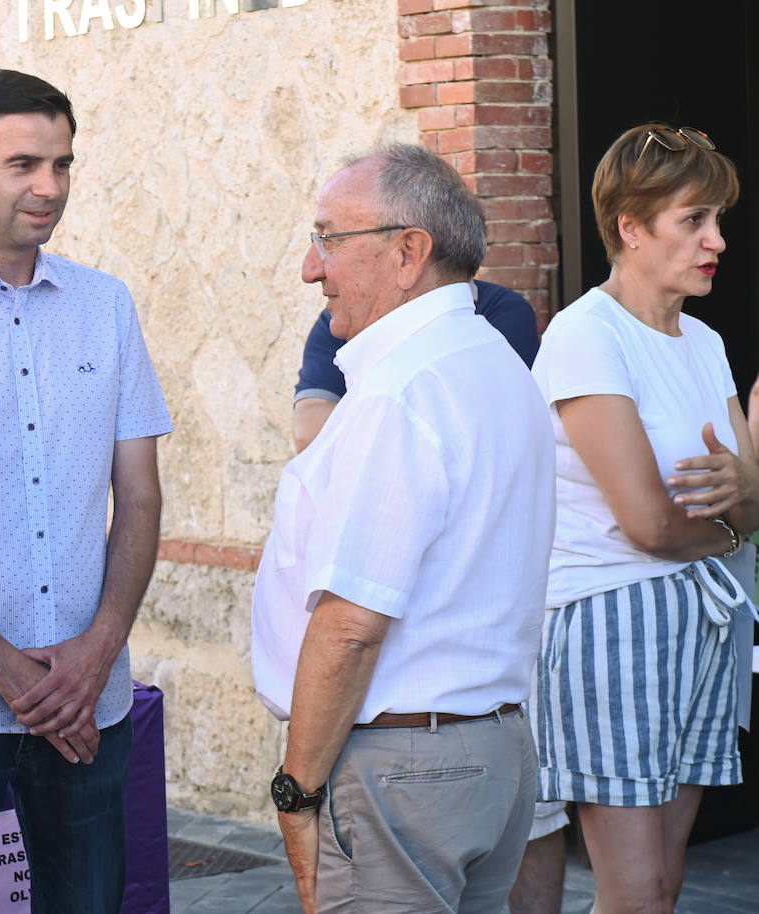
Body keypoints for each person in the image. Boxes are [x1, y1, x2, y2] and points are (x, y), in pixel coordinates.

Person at [0, 69, 172, 914]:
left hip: (92, 698)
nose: (49, 188)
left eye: (63, 165)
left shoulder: (105, 306)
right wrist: (12, 672)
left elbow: (140, 499)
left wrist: (97, 650)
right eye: (23, 165)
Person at [251, 143, 556, 913]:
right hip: (490, 749)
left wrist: (296, 789)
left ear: (408, 253)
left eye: (329, 238)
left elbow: (351, 625)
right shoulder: (493, 362)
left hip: (404, 765)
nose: (310, 268)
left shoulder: (400, 392)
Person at [529, 123, 759, 914]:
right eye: (694, 219)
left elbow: (750, 494)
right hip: (610, 620)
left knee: (660, 890)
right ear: (630, 227)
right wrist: (740, 516)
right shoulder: (585, 335)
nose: (716, 240)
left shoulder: (704, 341)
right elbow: (651, 524)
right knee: (634, 892)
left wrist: (746, 496)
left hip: (705, 614)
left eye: (718, 220)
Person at [291, 279, 539, 451]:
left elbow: (484, 430)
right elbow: (308, 431)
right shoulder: (341, 318)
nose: (313, 272)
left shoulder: (501, 310)